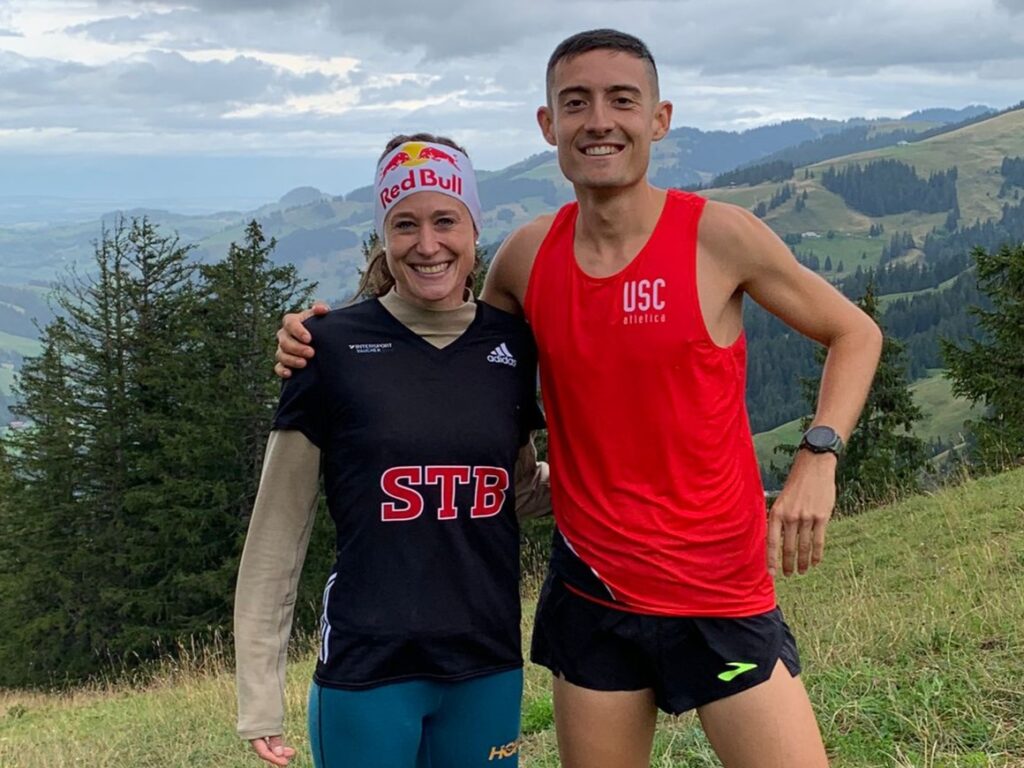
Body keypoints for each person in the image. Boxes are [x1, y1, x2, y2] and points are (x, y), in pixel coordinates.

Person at [275, 30, 883, 768]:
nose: (599, 120)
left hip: (720, 595)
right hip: (593, 597)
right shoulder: (528, 258)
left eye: (621, 100)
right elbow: (442, 329)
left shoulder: (719, 237)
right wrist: (325, 335)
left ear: (658, 119)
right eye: (576, 103)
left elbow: (854, 333)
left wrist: (818, 458)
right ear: (548, 126)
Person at [235, 133, 550, 768]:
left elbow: (513, 488)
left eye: (445, 221)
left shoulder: (513, 347)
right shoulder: (328, 349)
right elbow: (279, 528)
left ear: (474, 228)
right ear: (384, 235)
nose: (427, 245)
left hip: (486, 664)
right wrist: (259, 694)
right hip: (367, 671)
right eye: (405, 224)